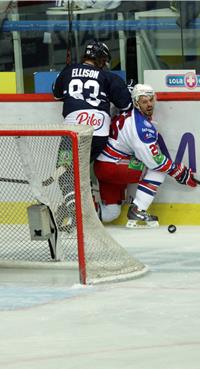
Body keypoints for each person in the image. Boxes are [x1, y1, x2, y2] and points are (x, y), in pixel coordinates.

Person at [52, 40, 132, 228]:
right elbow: (126, 105)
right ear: (101, 59)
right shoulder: (108, 76)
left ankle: (75, 211)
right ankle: (76, 210)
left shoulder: (69, 70)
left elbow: (56, 94)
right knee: (79, 171)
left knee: (64, 171)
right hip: (98, 133)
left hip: (73, 131)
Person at [94, 84, 197, 228]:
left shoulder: (130, 113)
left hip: (104, 165)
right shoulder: (141, 126)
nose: (149, 104)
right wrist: (176, 171)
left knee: (111, 213)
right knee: (157, 170)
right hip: (113, 166)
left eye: (151, 100)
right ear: (136, 103)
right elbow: (154, 161)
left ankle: (77, 214)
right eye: (144, 101)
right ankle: (138, 209)